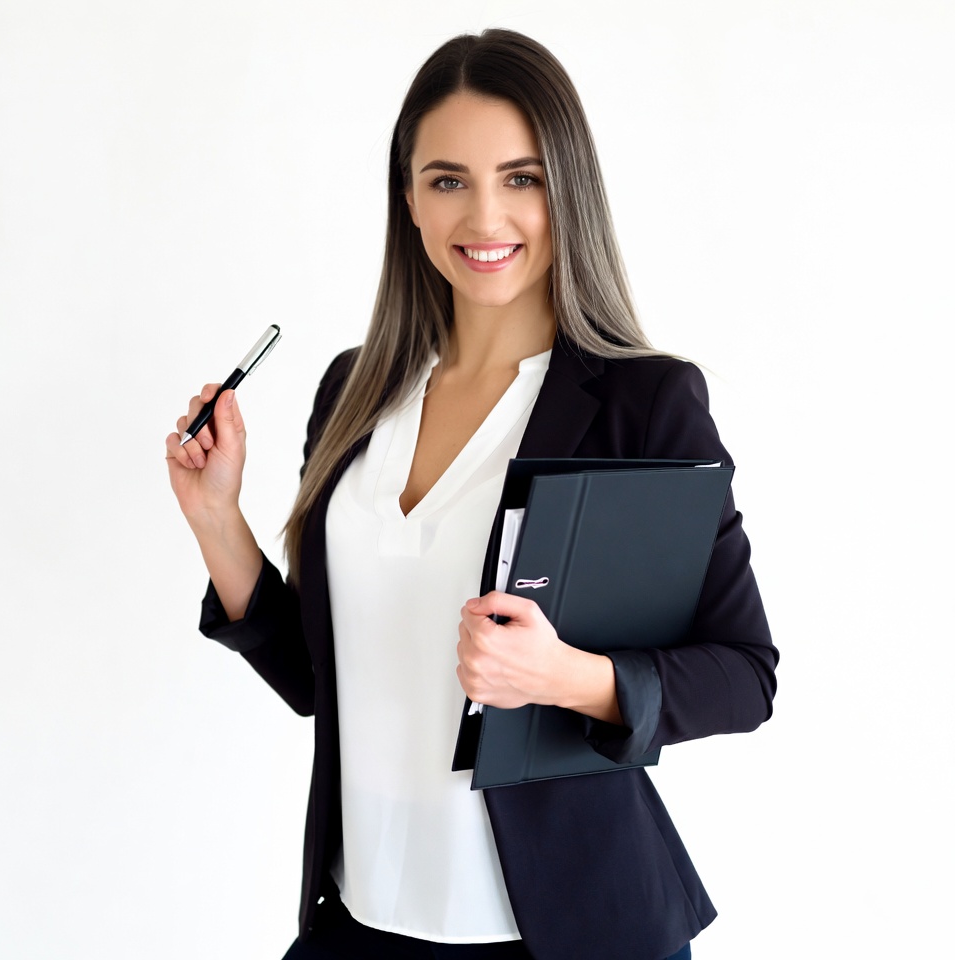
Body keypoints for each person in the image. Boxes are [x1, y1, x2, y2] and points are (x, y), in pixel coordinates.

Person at [166, 28, 776, 960]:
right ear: (407, 199)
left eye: (522, 178)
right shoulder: (353, 392)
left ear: (567, 190)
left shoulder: (643, 402)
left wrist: (568, 677)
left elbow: (743, 672)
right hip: (360, 921)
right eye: (449, 179)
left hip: (563, 932)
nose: (485, 217)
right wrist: (218, 520)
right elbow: (322, 682)